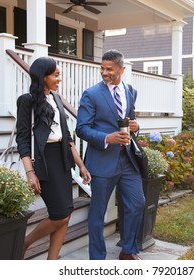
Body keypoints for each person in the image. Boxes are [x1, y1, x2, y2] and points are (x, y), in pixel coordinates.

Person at [16, 57, 91, 260]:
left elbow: (67, 137)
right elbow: (22, 139)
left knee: (65, 214)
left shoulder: (57, 98)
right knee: (59, 215)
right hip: (44, 160)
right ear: (43, 77)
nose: (59, 79)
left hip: (63, 158)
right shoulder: (27, 101)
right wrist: (30, 173)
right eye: (56, 75)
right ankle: (24, 243)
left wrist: (80, 165)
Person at [76, 49, 145, 260]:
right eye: (102, 69)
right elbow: (81, 129)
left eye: (110, 69)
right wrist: (107, 138)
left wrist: (136, 126)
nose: (105, 73)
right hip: (102, 161)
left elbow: (130, 122)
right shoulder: (91, 94)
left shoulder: (130, 91)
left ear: (121, 69)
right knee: (98, 213)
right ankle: (97, 259)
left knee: (137, 203)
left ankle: (128, 250)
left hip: (128, 160)